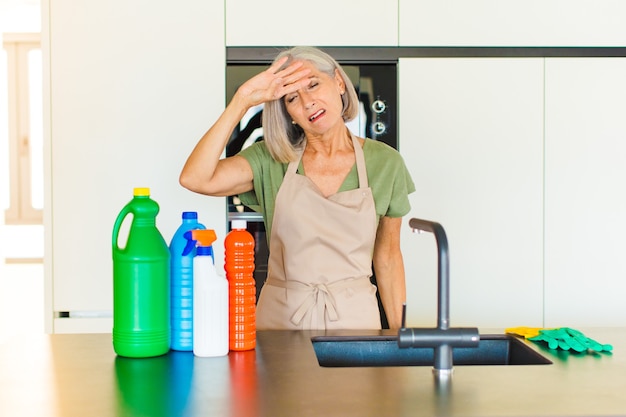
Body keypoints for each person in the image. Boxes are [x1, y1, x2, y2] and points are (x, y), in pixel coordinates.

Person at [180, 46, 415, 330]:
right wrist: (241, 101)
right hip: (281, 323)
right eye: (292, 97)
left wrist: (402, 342)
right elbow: (195, 178)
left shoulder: (385, 163)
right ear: (288, 112)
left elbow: (388, 256)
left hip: (356, 323)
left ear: (339, 82)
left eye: (314, 84)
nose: (307, 102)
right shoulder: (270, 159)